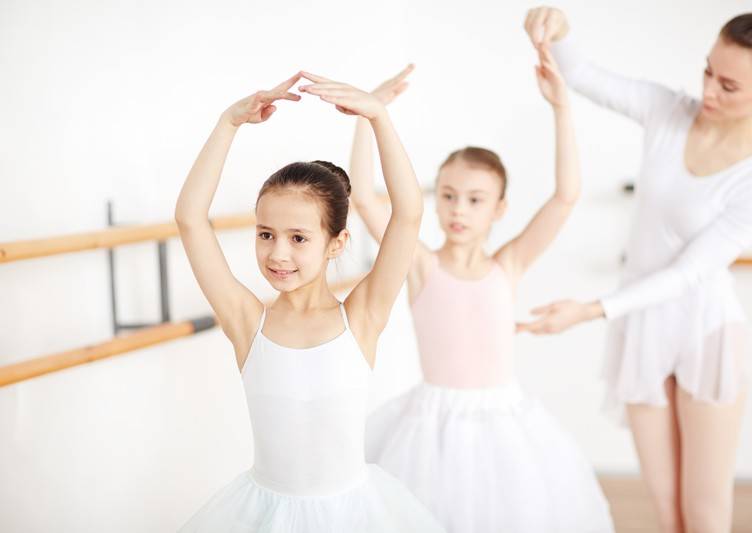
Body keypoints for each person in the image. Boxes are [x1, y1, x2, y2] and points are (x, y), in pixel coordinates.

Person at [519, 7, 752, 533]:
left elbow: (691, 272)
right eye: (708, 71)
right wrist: (558, 26)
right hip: (644, 329)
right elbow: (582, 75)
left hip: (705, 333)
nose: (710, 90)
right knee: (668, 513)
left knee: (705, 513)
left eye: (730, 85)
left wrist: (590, 310)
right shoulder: (669, 111)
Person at [344, 47, 614, 532]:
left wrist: (561, 108)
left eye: (474, 200)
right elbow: (363, 196)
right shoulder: (420, 264)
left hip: (504, 426)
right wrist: (367, 117)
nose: (458, 210)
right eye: (447, 196)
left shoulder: (508, 264)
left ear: (499, 209)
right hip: (431, 428)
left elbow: (566, 195)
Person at [174, 71, 444, 532]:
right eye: (266, 235)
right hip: (265, 515)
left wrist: (378, 116)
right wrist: (227, 123)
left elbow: (408, 213)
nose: (278, 253)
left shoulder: (361, 316)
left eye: (298, 237)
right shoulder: (246, 322)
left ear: (336, 243)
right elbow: (190, 218)